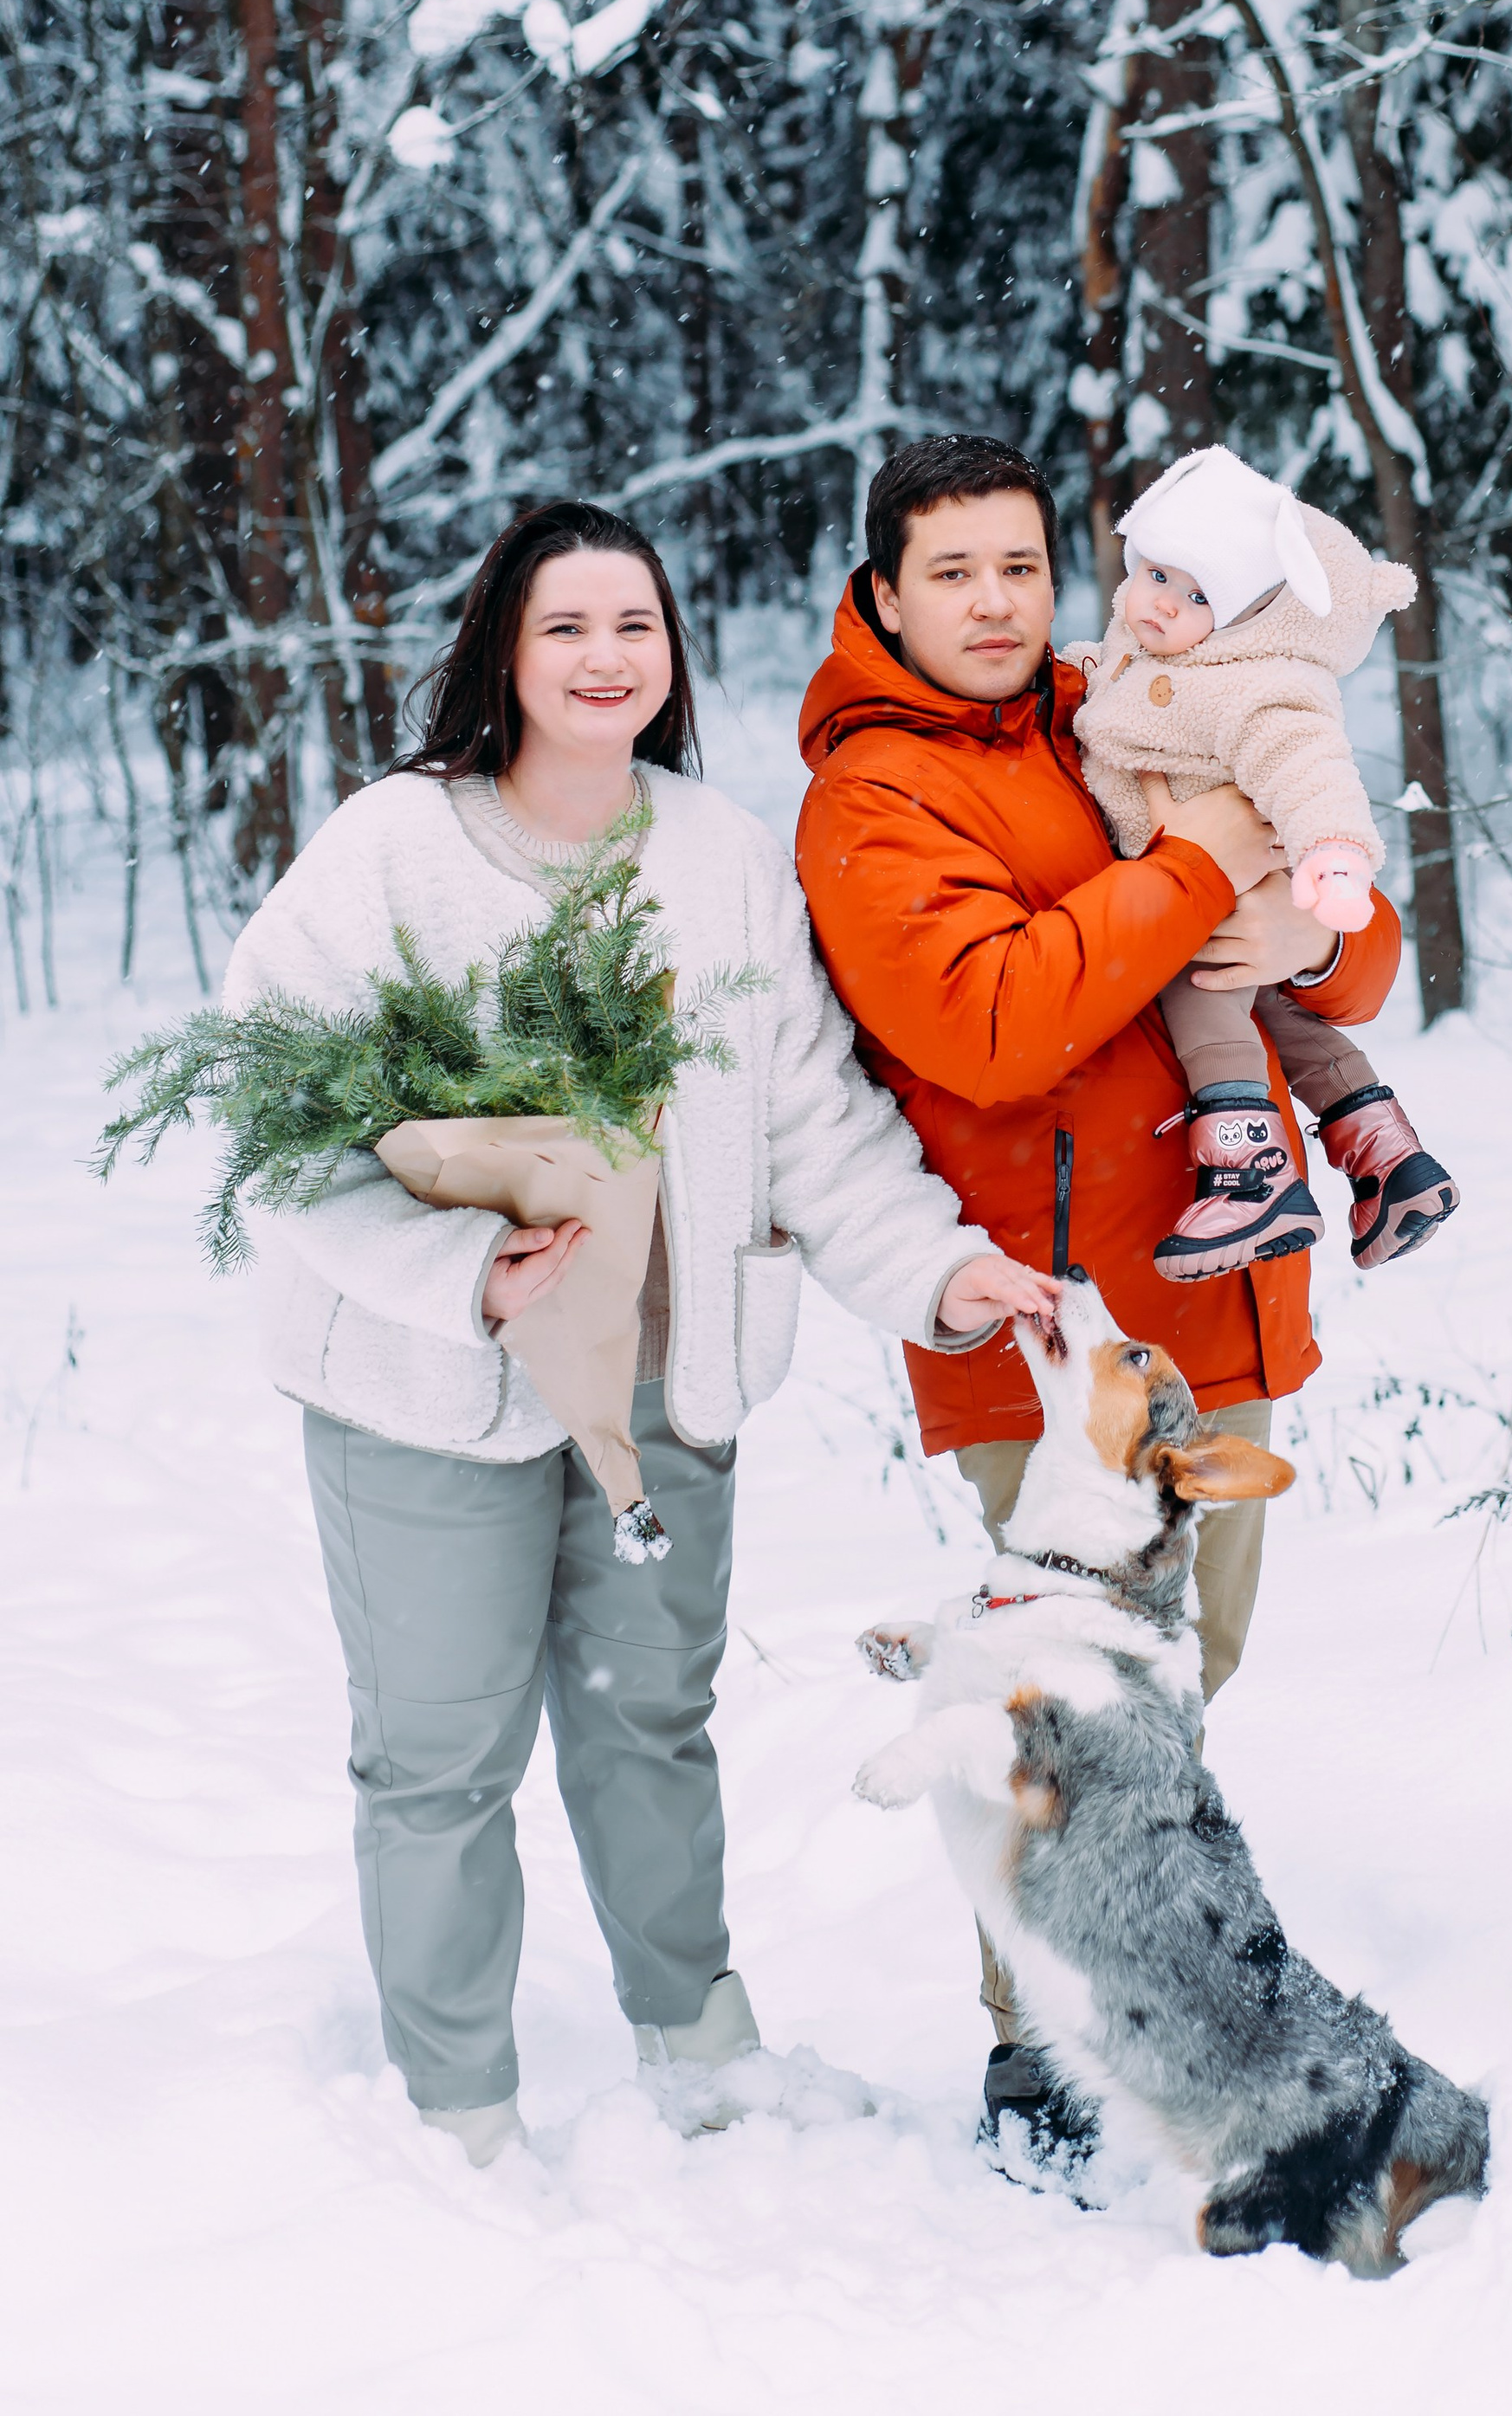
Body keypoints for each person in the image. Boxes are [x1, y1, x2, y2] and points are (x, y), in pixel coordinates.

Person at [224, 501, 1054, 2167]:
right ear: (503, 654)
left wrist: (936, 1268)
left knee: (648, 1723)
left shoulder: (721, 857)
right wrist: (462, 1278)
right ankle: (459, 2103)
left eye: (636, 628)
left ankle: (696, 2035)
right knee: (441, 1755)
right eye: (567, 628)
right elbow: (274, 1122)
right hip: (430, 1394)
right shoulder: (394, 852)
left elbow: (812, 1116)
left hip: (667, 1389)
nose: (607, 659)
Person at [792, 433, 1404, 2167]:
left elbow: (1347, 940)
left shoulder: (1128, 692)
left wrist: (1309, 939)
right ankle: (1033, 2050)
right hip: (1044, 1341)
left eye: (1018, 564)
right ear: (885, 592)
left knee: (1187, 1679)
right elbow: (996, 1018)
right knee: (1047, 1706)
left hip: (1218, 1287)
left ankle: (1160, 1992)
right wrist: (1212, 861)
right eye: (953, 572)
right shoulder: (871, 798)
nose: (996, 602)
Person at [1068, 441, 1460, 1281]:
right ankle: (1386, 1156)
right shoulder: (1149, 646)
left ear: (1246, 613)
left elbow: (1307, 761)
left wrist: (1335, 852)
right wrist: (1083, 668)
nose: (1162, 604)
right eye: (1157, 574)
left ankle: (1251, 1173)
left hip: (1209, 896)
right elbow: (1115, 688)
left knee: (1206, 997)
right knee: (1283, 1016)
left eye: (1199, 593)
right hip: (1218, 896)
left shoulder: (1252, 682)